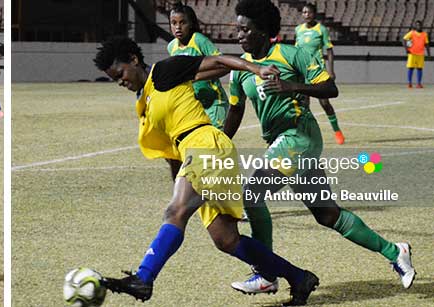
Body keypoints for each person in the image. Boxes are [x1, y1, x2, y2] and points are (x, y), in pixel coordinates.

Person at [92, 36, 319, 306]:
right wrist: (178, 184)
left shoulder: (164, 71)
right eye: (114, 79)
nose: (121, 81)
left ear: (134, 59)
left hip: (207, 145)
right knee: (226, 240)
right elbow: (171, 154)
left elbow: (221, 62)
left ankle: (144, 278)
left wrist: (255, 69)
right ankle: (299, 277)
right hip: (195, 154)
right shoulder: (145, 102)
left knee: (175, 212)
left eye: (121, 73)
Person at [225, 0, 414, 295]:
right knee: (327, 215)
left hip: (299, 137)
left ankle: (266, 273)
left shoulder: (291, 55)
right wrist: (219, 142)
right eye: (237, 29)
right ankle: (395, 251)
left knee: (253, 195)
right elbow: (235, 111)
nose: (239, 35)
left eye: (245, 29)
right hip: (285, 143)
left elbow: (330, 88)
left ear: (263, 31)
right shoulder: (241, 70)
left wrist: (291, 87)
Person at [296, 3, 344, 144]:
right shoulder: (298, 29)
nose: (306, 15)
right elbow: (296, 51)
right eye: (304, 12)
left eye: (309, 12)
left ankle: (337, 131)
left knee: (324, 102)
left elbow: (329, 51)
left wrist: (331, 70)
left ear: (314, 14)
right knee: (304, 105)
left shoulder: (321, 29)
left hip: (317, 70)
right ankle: (307, 136)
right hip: (302, 71)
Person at [403, 20, 429, 88]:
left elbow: (426, 44)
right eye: (417, 25)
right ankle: (409, 83)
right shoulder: (412, 33)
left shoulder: (424, 34)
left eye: (420, 25)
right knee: (410, 68)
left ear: (422, 26)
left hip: (420, 54)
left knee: (419, 68)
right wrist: (406, 49)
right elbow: (404, 39)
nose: (419, 26)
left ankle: (419, 84)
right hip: (412, 53)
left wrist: (429, 52)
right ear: (415, 26)